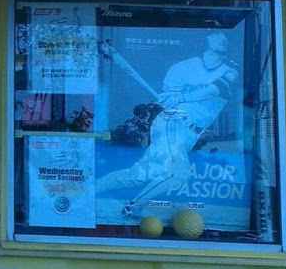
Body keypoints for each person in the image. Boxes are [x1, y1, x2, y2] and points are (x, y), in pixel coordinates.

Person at [100, 29, 238, 205]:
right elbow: (169, 101)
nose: (223, 38)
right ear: (205, 38)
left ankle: (91, 190)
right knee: (179, 173)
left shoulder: (231, 70)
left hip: (191, 133)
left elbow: (219, 87)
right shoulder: (181, 68)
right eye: (216, 33)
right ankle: (134, 206)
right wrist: (169, 100)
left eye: (226, 35)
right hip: (172, 123)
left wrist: (179, 98)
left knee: (138, 176)